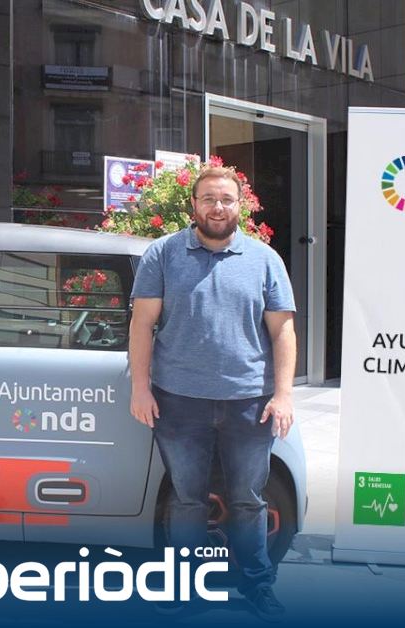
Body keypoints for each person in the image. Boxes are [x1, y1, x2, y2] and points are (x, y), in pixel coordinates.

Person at [128, 166, 296, 620]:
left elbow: (283, 331)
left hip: (250, 403)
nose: (217, 208)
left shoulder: (265, 260)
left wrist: (283, 394)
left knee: (248, 500)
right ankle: (185, 588)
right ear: (194, 205)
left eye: (226, 199)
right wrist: (140, 387)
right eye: (208, 199)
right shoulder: (163, 254)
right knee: (187, 501)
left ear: (241, 205)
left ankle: (258, 586)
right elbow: (142, 325)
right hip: (178, 402)